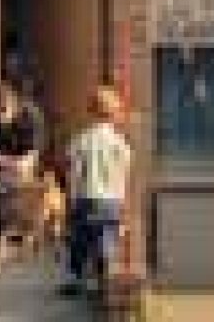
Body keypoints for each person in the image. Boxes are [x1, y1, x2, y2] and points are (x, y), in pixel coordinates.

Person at [61, 85, 132, 297]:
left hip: (85, 199)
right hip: (111, 202)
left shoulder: (82, 140)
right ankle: (104, 282)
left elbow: (73, 173)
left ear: (90, 111)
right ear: (114, 114)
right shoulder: (120, 143)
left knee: (79, 240)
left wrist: (70, 200)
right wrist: (124, 207)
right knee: (106, 241)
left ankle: (76, 279)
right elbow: (124, 177)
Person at [0, 82, 37, 255]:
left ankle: (21, 231)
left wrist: (18, 163)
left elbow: (30, 156)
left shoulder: (29, 118)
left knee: (19, 191)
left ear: (14, 109)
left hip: (21, 159)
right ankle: (0, 234)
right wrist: (1, 161)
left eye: (3, 113)